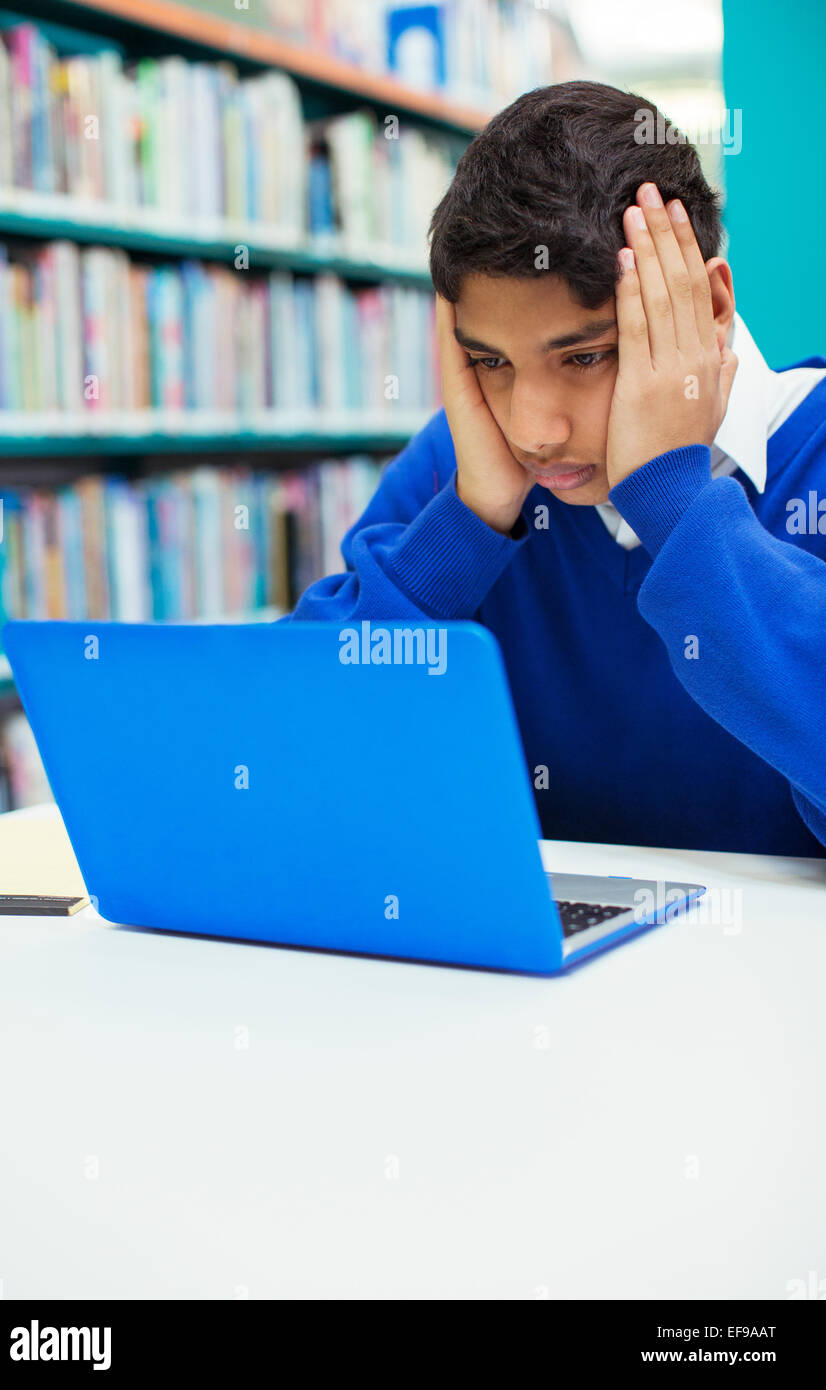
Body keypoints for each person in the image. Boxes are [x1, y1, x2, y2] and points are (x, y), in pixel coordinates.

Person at [283, 82, 826, 856]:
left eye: (585, 355)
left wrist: (671, 502)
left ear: (708, 309)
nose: (533, 431)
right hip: (527, 977)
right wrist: (468, 527)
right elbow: (294, 761)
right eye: (489, 361)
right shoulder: (467, 468)